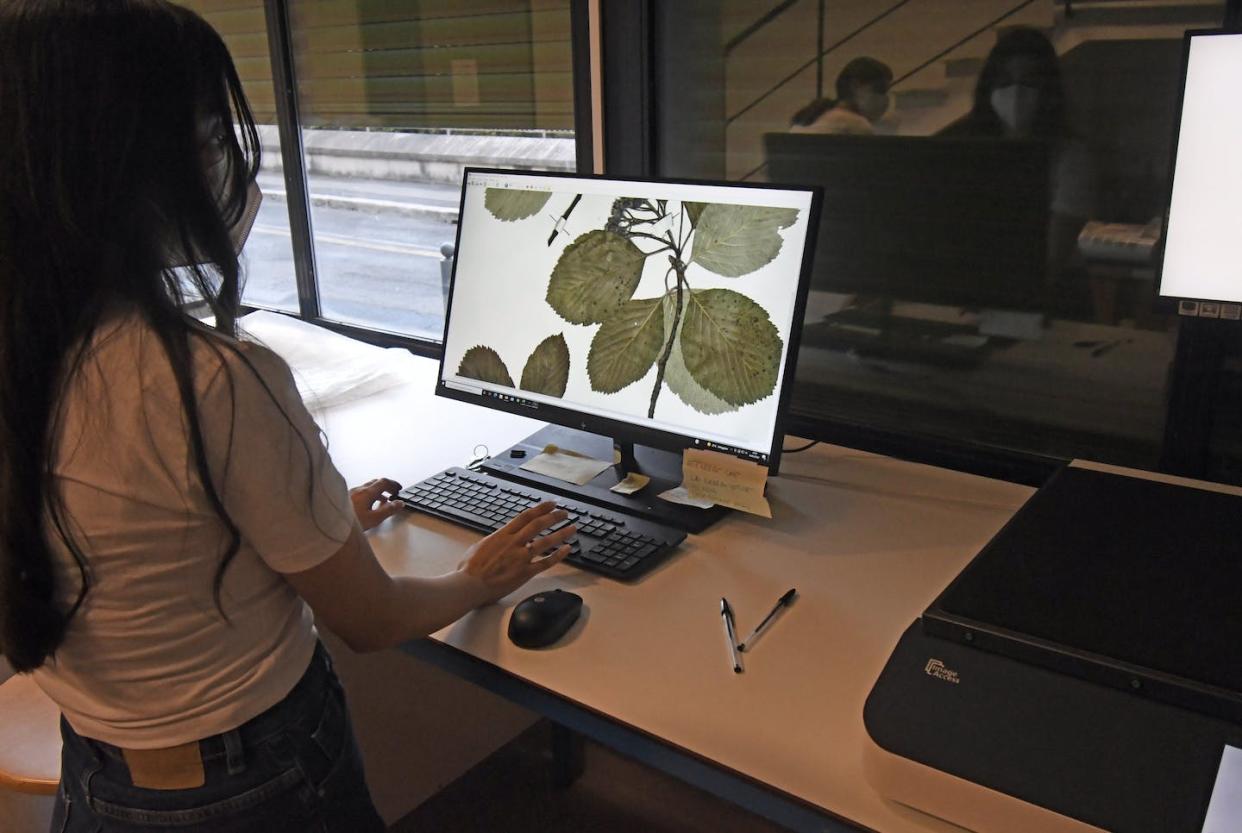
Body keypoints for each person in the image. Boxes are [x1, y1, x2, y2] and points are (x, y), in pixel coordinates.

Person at [0, 2, 574, 831]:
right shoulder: (210, 380)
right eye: (201, 134)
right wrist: (478, 579)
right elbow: (370, 621)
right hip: (259, 787)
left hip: (98, 781)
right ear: (123, 166)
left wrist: (309, 529)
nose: (225, 161)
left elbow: (133, 543)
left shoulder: (32, 359)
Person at [942, 27, 1095, 293]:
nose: (1015, 93)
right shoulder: (973, 149)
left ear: (1047, 90)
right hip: (985, 288)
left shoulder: (1069, 155)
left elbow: (1051, 257)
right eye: (1005, 82)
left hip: (1052, 294)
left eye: (1029, 82)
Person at [790, 56, 893, 135]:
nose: (885, 99)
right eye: (880, 89)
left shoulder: (813, 115)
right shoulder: (856, 125)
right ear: (856, 86)